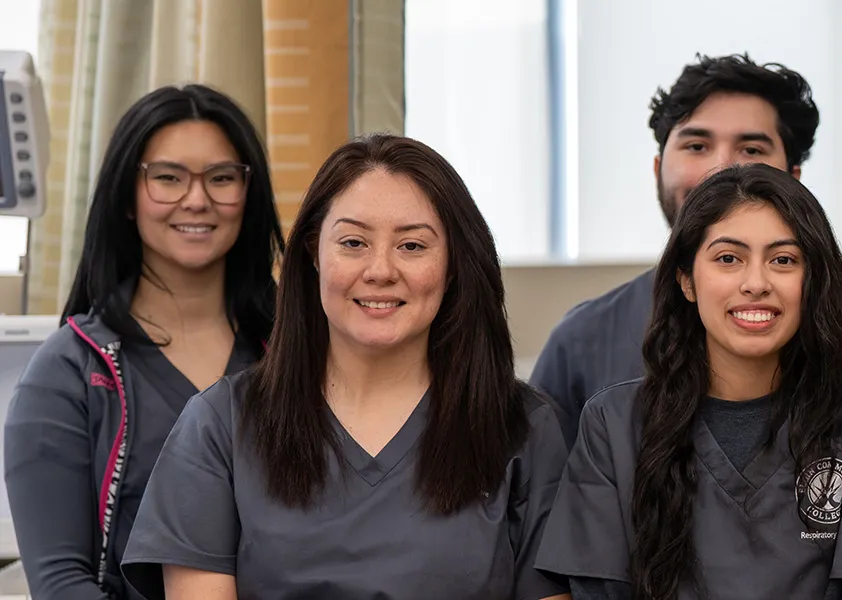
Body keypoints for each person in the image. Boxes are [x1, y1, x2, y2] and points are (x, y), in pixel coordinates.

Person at [119, 135, 570, 600]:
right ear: (314, 253)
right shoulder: (219, 426)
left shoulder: (524, 428)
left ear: (454, 264)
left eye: (412, 246)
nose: (380, 270)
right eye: (353, 242)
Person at [536, 164, 842, 599]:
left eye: (783, 260)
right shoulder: (614, 426)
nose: (756, 283)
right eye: (728, 258)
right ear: (686, 279)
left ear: (813, 280)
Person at [4, 84, 282, 600]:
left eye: (222, 178)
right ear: (128, 198)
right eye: (168, 178)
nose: (197, 199)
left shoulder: (299, 350)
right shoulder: (68, 372)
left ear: (250, 195)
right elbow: (63, 584)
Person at [531, 53, 842, 441]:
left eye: (752, 150)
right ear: (658, 168)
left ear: (794, 179)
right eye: (697, 146)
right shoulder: (582, 341)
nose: (722, 170)